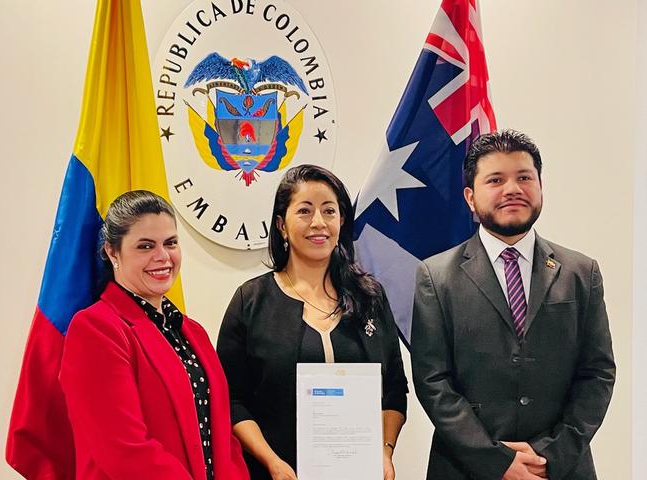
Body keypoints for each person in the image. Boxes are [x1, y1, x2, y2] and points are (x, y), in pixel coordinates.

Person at [411, 130, 615, 480]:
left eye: (524, 177)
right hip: (465, 468)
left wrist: (550, 454)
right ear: (470, 198)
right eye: (495, 180)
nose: (512, 189)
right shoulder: (436, 276)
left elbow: (597, 373)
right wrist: (497, 461)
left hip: (560, 468)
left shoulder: (582, 272)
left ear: (540, 187)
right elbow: (433, 381)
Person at [217, 164, 408, 480]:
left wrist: (384, 451)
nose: (318, 222)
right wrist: (272, 463)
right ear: (281, 224)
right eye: (304, 211)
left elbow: (394, 389)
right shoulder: (250, 301)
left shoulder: (370, 297)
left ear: (341, 220)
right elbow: (231, 400)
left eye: (329, 211)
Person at [59, 190, 249, 480]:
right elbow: (123, 450)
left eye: (170, 243)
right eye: (145, 246)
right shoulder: (95, 329)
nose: (162, 257)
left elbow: (222, 436)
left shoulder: (193, 332)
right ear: (112, 252)